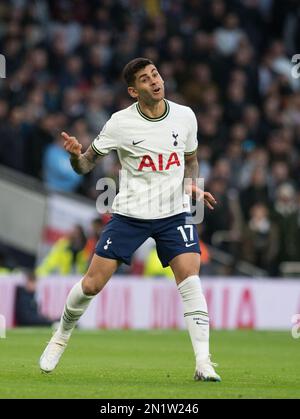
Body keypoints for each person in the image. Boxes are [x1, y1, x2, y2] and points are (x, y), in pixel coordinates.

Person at [39, 58, 220, 382]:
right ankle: (61, 335)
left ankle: (203, 363)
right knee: (92, 284)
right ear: (133, 91)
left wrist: (190, 184)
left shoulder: (184, 116)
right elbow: (84, 165)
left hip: (173, 212)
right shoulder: (120, 124)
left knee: (190, 279)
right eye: (145, 79)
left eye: (156, 74)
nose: (155, 81)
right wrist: (74, 154)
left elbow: (190, 161)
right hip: (130, 214)